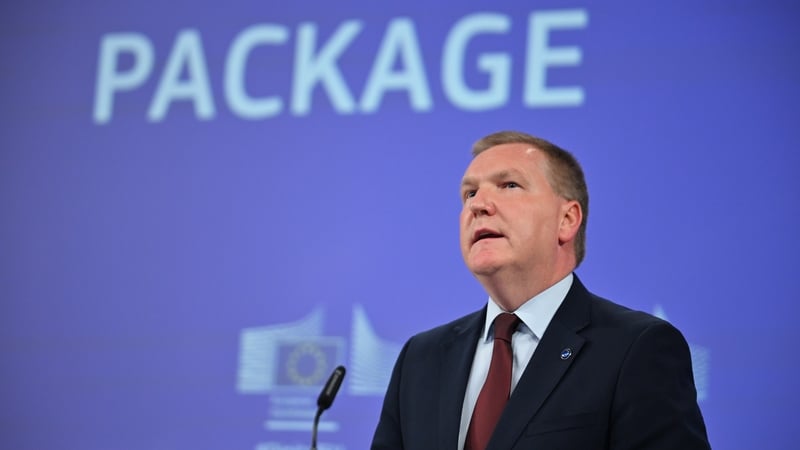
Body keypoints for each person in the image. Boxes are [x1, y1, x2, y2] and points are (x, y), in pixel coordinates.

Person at [371, 131, 710, 449]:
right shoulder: (421, 358)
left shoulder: (636, 349)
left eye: (509, 185)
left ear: (567, 220)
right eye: (469, 193)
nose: (478, 205)